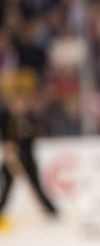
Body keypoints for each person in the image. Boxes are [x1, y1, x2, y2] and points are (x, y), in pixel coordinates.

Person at [0, 89, 58, 223]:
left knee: (36, 185)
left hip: (27, 159)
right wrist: (7, 147)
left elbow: (35, 135)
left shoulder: (30, 119)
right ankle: (1, 211)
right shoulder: (5, 118)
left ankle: (51, 210)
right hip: (11, 159)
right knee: (6, 186)